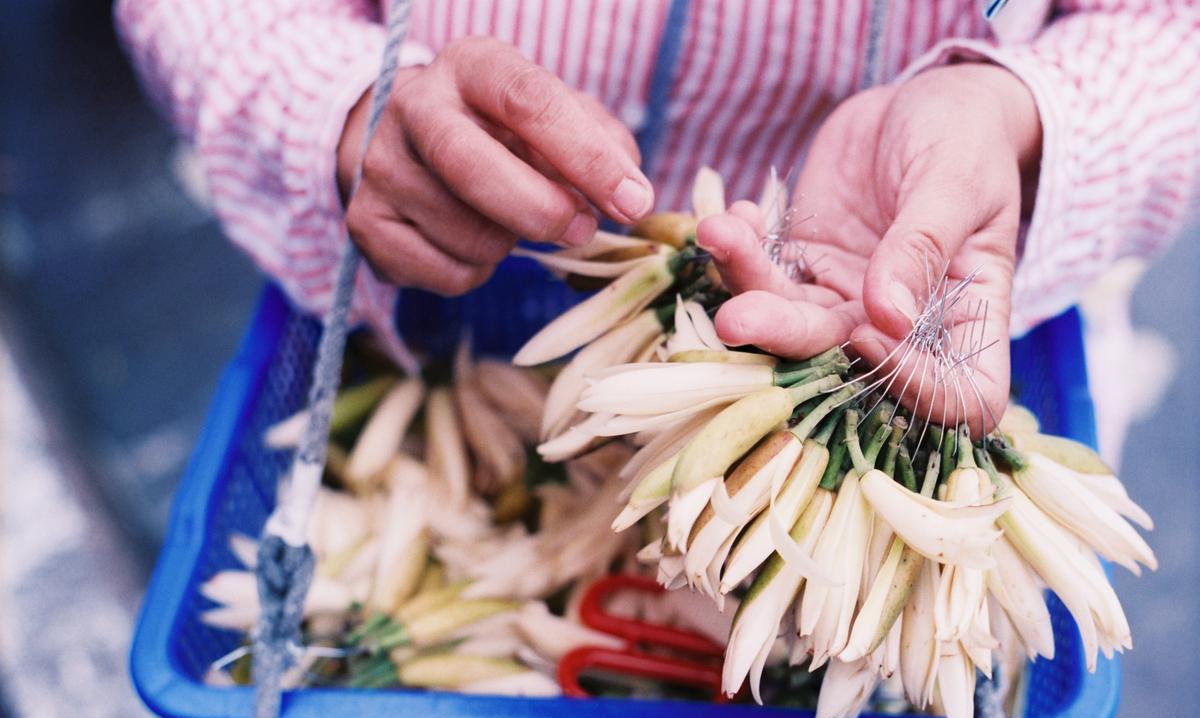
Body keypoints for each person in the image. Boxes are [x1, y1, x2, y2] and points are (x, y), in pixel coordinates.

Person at [115, 0, 1199, 434]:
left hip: (902, 352)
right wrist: (341, 103)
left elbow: (1167, 36)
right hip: (458, 351)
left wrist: (1010, 111)